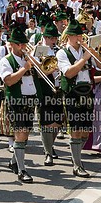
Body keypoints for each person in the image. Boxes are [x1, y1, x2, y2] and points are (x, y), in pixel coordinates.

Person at [0, 27, 42, 183]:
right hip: (16, 100)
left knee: (25, 134)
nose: (23, 47)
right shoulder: (6, 61)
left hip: (30, 99)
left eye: (24, 44)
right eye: (19, 44)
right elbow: (9, 80)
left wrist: (35, 62)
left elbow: (43, 70)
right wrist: (25, 68)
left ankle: (14, 162)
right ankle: (22, 170)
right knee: (20, 133)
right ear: (11, 45)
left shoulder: (27, 58)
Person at [57, 19, 94, 177]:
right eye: (76, 35)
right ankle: (77, 164)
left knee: (86, 130)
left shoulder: (85, 50)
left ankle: (77, 156)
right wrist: (84, 58)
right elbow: (69, 73)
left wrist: (92, 52)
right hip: (73, 93)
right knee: (76, 130)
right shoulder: (62, 53)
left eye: (81, 34)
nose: (80, 37)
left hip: (88, 92)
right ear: (69, 36)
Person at [35, 22, 63, 166]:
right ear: (45, 37)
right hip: (45, 89)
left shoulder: (58, 50)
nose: (54, 41)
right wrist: (52, 69)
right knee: (46, 122)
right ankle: (48, 153)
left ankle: (50, 146)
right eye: (51, 38)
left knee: (58, 122)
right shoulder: (39, 50)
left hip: (58, 89)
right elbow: (38, 74)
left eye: (55, 38)